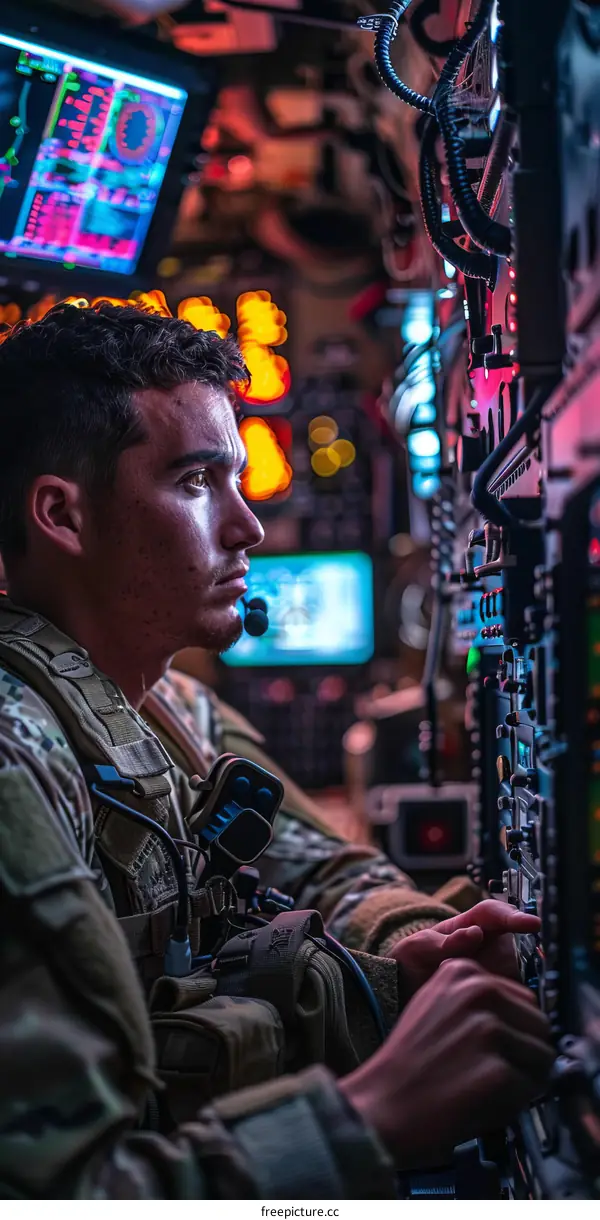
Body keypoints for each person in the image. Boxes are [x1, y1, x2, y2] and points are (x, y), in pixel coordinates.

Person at [0, 302, 554, 1198]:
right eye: (195, 481)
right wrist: (369, 1117)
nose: (248, 527)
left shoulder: (172, 709)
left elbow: (323, 867)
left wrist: (412, 950)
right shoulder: (17, 758)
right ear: (62, 514)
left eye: (237, 480)